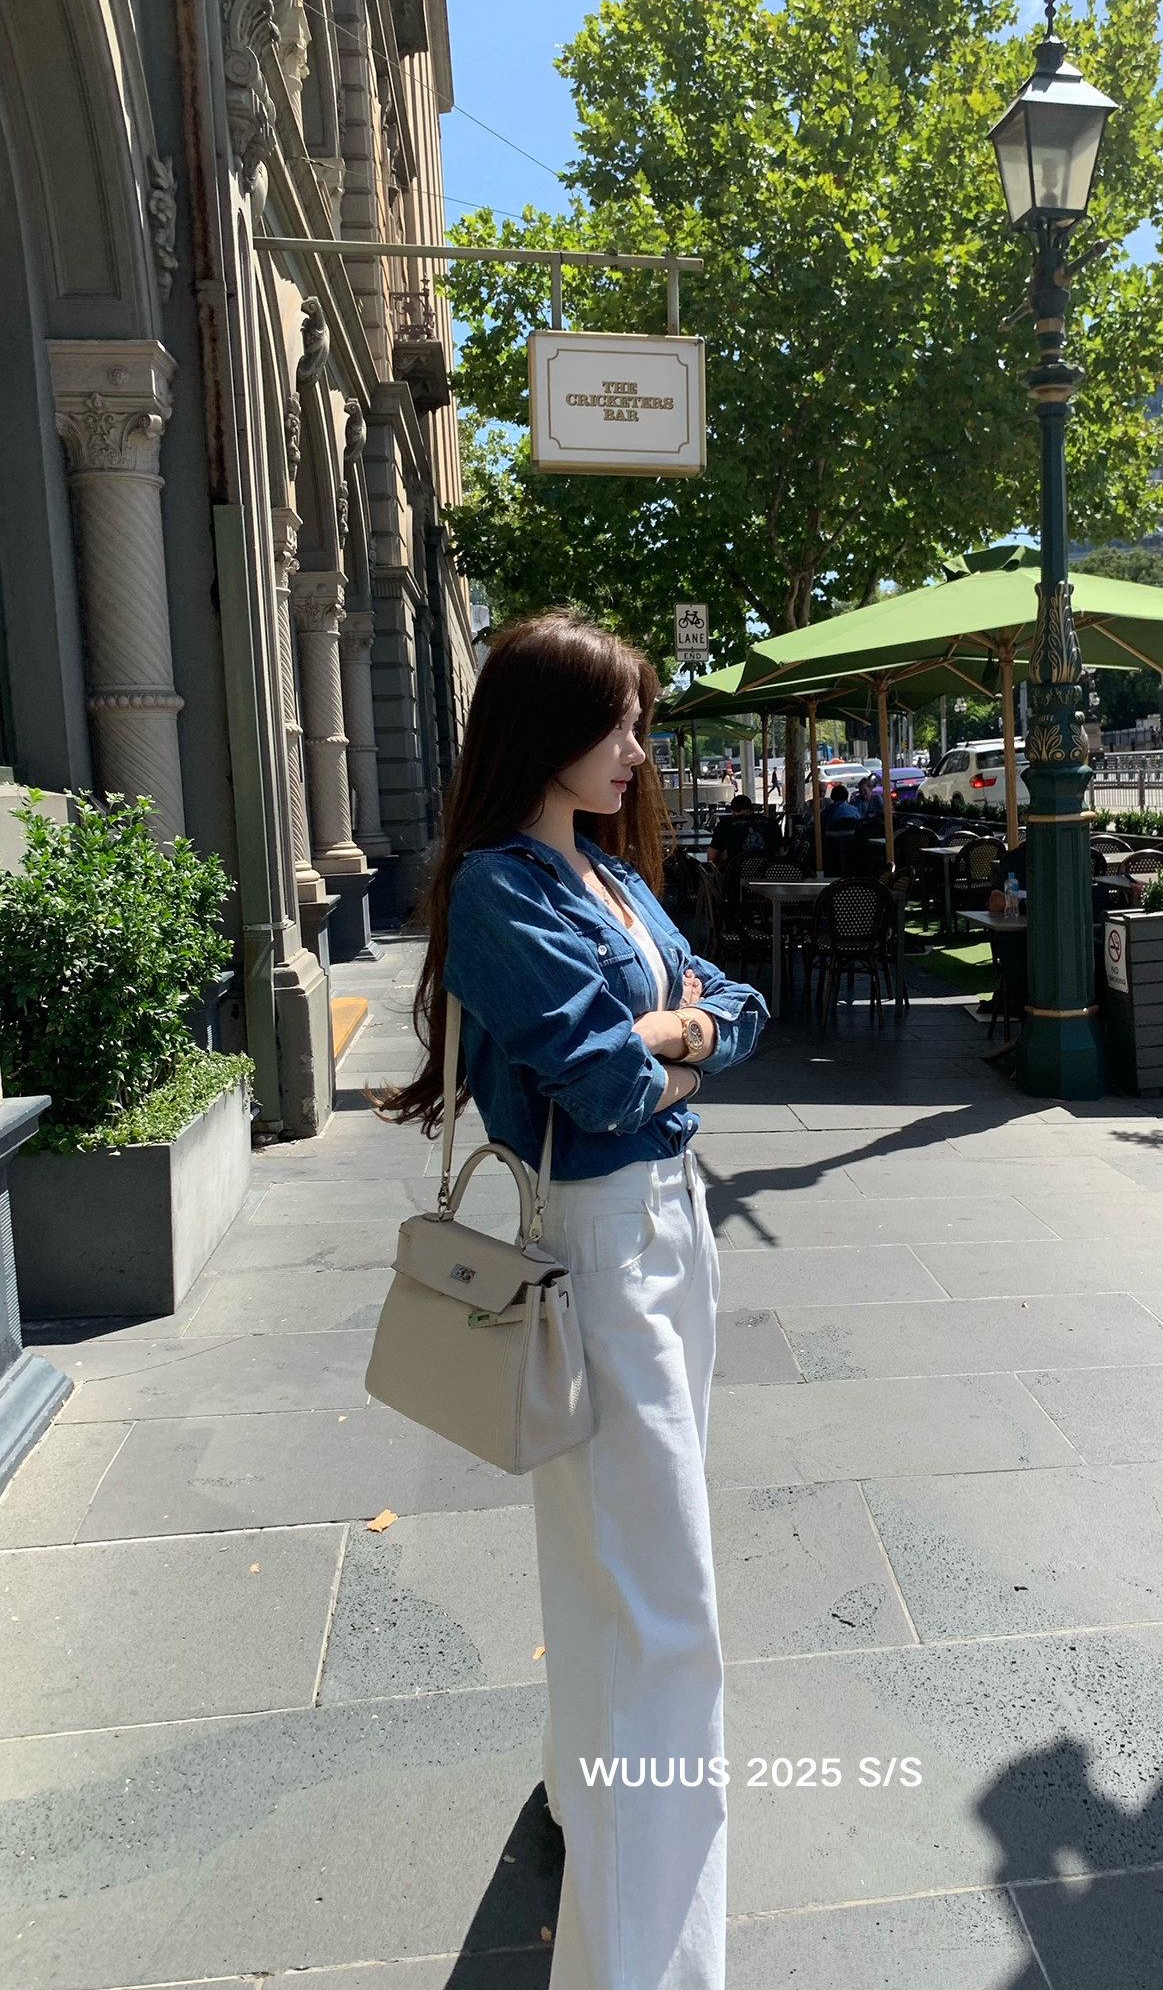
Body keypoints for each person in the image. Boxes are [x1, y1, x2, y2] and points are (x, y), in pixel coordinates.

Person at [382, 611, 766, 1990]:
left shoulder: (608, 876)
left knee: (620, 1563)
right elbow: (603, 1086)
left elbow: (741, 1003)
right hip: (598, 1245)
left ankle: (580, 1798)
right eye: (618, 722)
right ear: (545, 728)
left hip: (672, 1231)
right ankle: (649, 1965)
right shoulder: (499, 888)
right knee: (666, 1605)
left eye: (641, 722)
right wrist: (677, 1039)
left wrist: (673, 1035)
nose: (638, 749)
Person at [707, 792, 782, 869]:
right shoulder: (772, 824)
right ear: (752, 809)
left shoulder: (724, 825)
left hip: (736, 873)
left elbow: (711, 858)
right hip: (768, 872)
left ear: (733, 811)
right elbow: (781, 853)